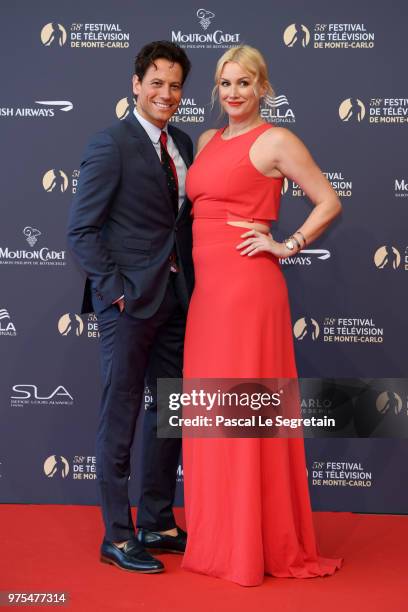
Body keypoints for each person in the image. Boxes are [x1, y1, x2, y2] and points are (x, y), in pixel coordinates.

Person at [182, 45, 343, 586]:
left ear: (262, 87)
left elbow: (328, 200)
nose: (233, 93)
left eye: (244, 83)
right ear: (216, 88)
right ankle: (221, 539)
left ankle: (255, 546)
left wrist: (287, 242)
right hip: (207, 297)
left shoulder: (275, 140)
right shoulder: (205, 141)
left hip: (249, 293)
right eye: (225, 83)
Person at [67, 41, 194, 573]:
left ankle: (157, 520)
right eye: (156, 83)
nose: (166, 94)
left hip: (176, 301)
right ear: (136, 85)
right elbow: (81, 231)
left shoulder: (183, 142)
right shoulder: (111, 144)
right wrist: (116, 291)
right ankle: (117, 535)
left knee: (169, 413)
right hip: (128, 306)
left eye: (175, 85)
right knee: (120, 417)